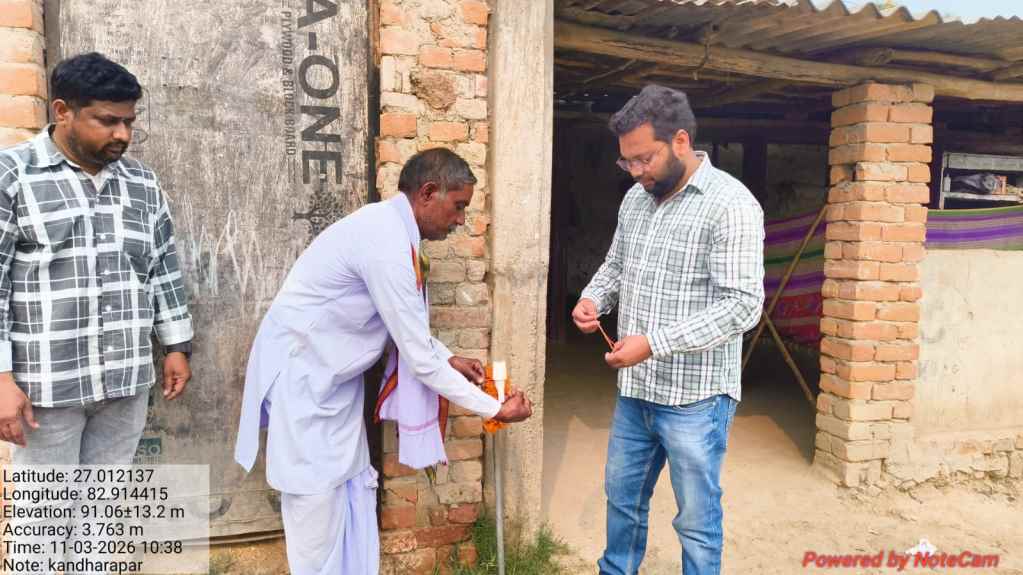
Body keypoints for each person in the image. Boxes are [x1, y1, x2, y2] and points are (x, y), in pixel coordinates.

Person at [235, 148, 533, 575]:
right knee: (316, 508)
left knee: (351, 498)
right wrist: (494, 408)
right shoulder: (385, 242)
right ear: (428, 193)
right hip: (302, 382)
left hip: (332, 383)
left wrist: (448, 357)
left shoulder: (393, 232)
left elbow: (407, 326)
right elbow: (418, 358)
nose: (460, 220)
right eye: (458, 206)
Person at [0, 52, 194, 564]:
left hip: (125, 381)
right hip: (47, 388)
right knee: (43, 531)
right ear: (63, 111)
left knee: (102, 519)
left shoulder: (142, 183)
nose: (122, 134)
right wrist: (1, 378)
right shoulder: (13, 176)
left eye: (129, 121)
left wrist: (176, 344)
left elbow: (162, 266)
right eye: (108, 121)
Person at [572, 84, 765, 575]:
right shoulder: (635, 201)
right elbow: (617, 265)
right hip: (637, 390)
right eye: (627, 162)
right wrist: (593, 298)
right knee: (622, 501)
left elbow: (742, 306)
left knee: (696, 521)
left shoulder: (731, 204)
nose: (636, 171)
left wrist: (654, 343)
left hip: (696, 398)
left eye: (645, 159)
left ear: (681, 141)